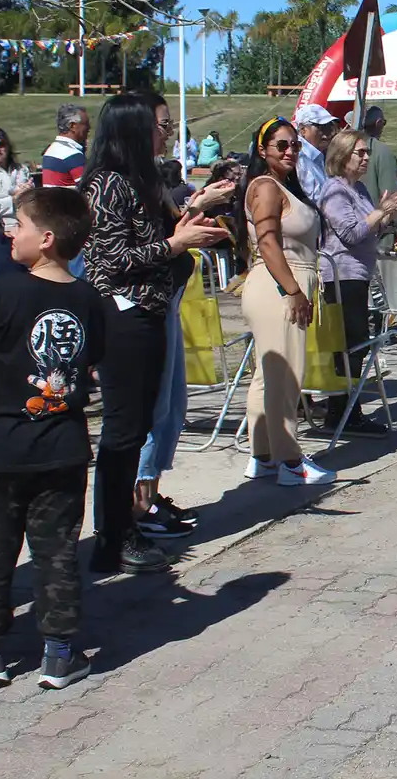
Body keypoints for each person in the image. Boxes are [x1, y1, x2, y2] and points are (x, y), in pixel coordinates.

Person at [0, 186, 105, 691]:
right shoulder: (87, 299)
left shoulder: (1, 290)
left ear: (43, 238)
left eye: (16, 225)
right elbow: (90, 362)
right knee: (56, 552)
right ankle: (59, 653)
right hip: (60, 446)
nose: (8, 233)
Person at [82, 93, 227, 574]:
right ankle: (112, 535)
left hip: (150, 311)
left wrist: (187, 227)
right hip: (122, 316)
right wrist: (175, 243)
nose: (167, 133)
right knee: (122, 432)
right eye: (161, 125)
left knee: (141, 423)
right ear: (134, 129)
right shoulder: (106, 184)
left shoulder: (140, 183)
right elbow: (109, 262)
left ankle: (126, 523)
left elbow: (150, 245)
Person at [135, 96, 239, 543]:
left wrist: (201, 204)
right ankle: (138, 504)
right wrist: (183, 237)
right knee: (153, 410)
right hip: (142, 309)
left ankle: (151, 494)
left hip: (168, 301)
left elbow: (170, 229)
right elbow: (128, 255)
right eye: (163, 124)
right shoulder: (123, 183)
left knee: (172, 409)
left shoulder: (150, 180)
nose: (170, 130)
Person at [239, 118, 337, 484]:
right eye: (281, 145)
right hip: (278, 283)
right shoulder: (265, 187)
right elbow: (267, 243)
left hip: (284, 281)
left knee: (269, 375)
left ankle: (264, 456)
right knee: (285, 377)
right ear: (262, 150)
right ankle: (290, 462)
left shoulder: (283, 186)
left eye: (294, 144)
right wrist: (293, 291)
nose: (290, 151)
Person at [319, 129, 397, 435]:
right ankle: (342, 412)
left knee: (355, 344)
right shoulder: (335, 191)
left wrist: (388, 213)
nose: (365, 158)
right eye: (359, 153)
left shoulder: (358, 189)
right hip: (340, 276)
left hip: (357, 274)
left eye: (366, 153)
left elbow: (368, 227)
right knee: (348, 345)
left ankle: (346, 409)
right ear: (341, 155)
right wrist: (380, 212)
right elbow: (351, 233)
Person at [293, 104, 339, 200]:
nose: (327, 133)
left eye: (329, 126)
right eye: (321, 127)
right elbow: (316, 200)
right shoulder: (300, 159)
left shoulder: (317, 156)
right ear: (303, 130)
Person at [360, 106, 397, 205]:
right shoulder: (382, 152)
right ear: (378, 123)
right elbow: (390, 194)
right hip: (376, 216)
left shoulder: (343, 146)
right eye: (384, 123)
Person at [41, 104, 89, 188]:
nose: (89, 128)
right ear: (72, 126)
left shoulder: (51, 150)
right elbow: (91, 189)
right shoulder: (72, 155)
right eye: (86, 124)